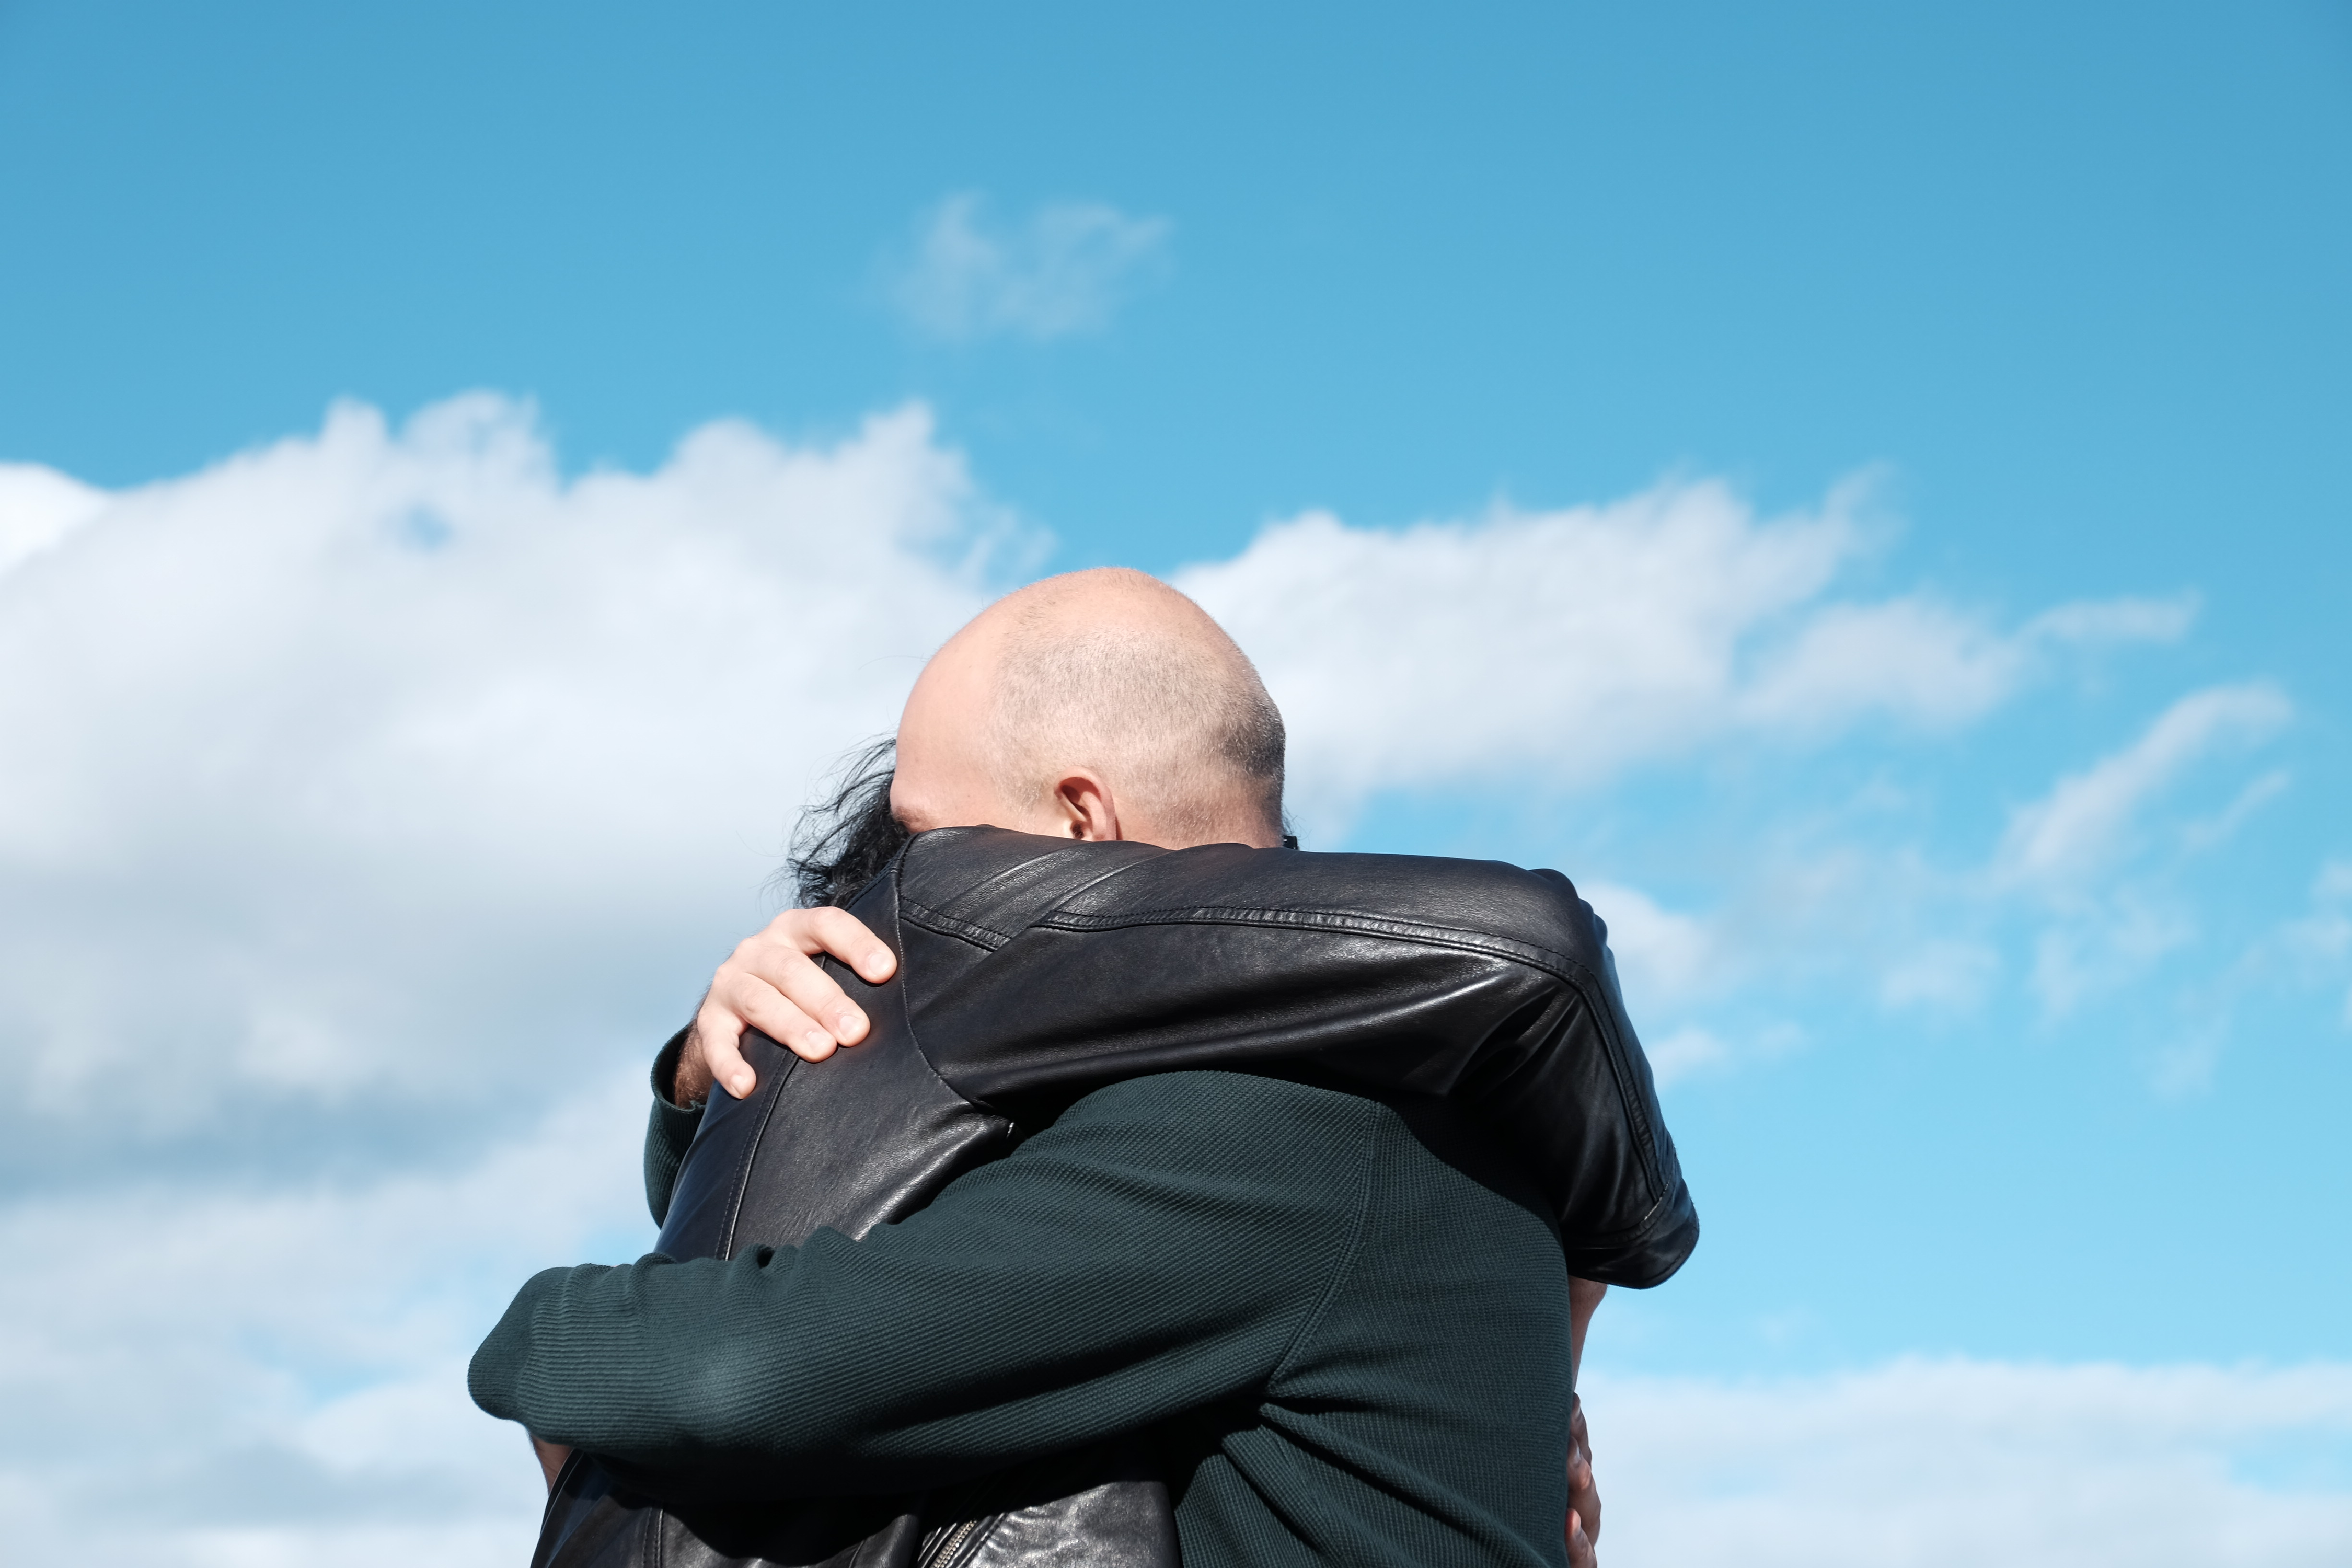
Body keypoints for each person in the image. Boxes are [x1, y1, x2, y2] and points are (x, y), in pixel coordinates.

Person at [475, 570, 1694, 1568]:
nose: (882, 892)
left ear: (1079, 827)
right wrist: (704, 1073)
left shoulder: (1291, 1124)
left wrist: (531, 1337)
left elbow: (754, 1370)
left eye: (923, 846)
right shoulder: (1358, 1093)